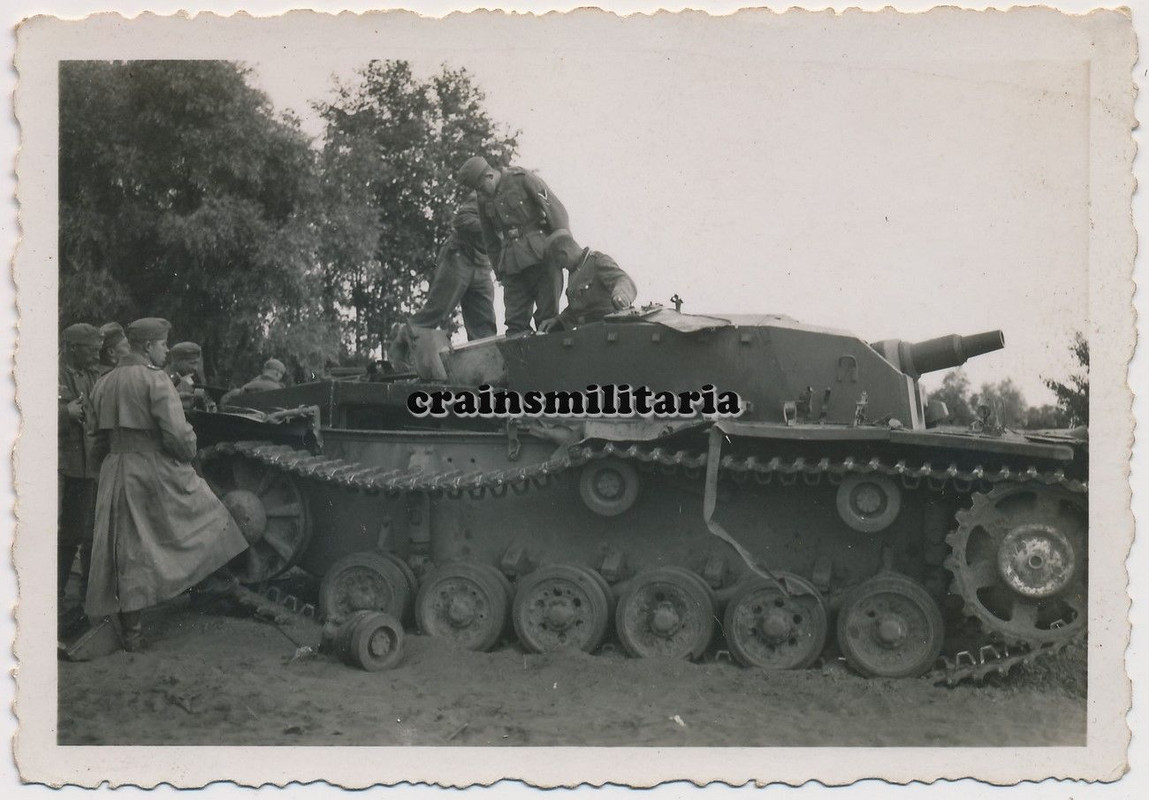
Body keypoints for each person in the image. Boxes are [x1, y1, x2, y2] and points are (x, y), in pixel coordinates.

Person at [85, 317, 248, 651]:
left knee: (124, 546)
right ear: (147, 345)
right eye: (162, 345)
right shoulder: (155, 381)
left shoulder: (103, 382)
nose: (165, 351)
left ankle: (132, 631)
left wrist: (106, 467)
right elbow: (178, 436)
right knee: (208, 514)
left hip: (114, 468)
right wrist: (188, 451)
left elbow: (94, 439)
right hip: (150, 468)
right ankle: (209, 584)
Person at [457, 155, 570, 335]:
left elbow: (556, 211)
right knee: (515, 325)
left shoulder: (523, 178)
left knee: (547, 320)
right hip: (511, 265)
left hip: (542, 257)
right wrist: (499, 271)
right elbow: (489, 238)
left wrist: (564, 250)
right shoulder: (482, 199)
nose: (480, 193)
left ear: (489, 176)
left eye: (480, 188)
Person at [406, 193, 497, 340]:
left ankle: (483, 361)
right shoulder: (483, 195)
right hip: (459, 256)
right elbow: (461, 220)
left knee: (484, 325)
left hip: (483, 264)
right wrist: (494, 227)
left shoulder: (521, 206)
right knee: (437, 311)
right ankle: (401, 346)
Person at [58, 323, 104, 610]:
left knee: (82, 532)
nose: (96, 355)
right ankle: (56, 594)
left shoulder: (91, 375)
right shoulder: (54, 373)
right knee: (64, 533)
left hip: (86, 466)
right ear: (73, 348)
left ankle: (75, 594)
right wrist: (64, 412)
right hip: (64, 465)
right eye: (91, 350)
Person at [538, 230, 637, 333]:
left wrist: (620, 295)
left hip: (607, 331)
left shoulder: (597, 262)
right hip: (584, 334)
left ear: (564, 253)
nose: (562, 267)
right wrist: (558, 320)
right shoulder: (574, 274)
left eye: (559, 262)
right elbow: (577, 309)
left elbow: (623, 279)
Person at [220, 358, 286, 408]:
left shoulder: (249, 385)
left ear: (264, 369)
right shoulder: (280, 390)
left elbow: (224, 403)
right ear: (277, 374)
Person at [169, 341, 210, 410]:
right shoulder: (164, 379)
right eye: (192, 363)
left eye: (197, 363)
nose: (195, 368)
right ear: (177, 361)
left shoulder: (188, 379)